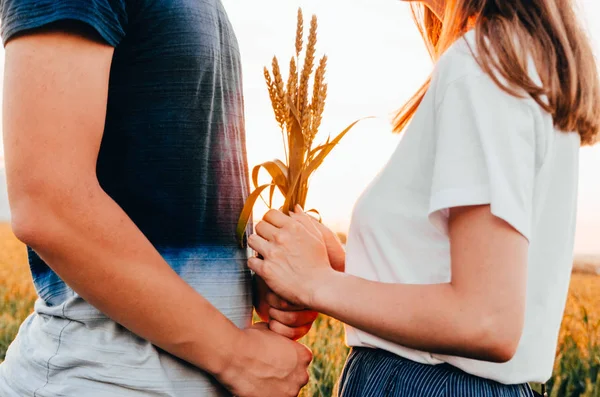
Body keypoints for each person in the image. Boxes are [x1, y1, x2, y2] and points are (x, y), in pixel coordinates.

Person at [247, 0, 600, 396]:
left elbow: (486, 319)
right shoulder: (526, 64)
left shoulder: (483, 63)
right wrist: (348, 266)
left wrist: (318, 283)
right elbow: (465, 280)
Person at [0, 0, 315, 396]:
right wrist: (234, 354)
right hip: (98, 382)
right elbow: (48, 204)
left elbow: (172, 191)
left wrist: (255, 278)